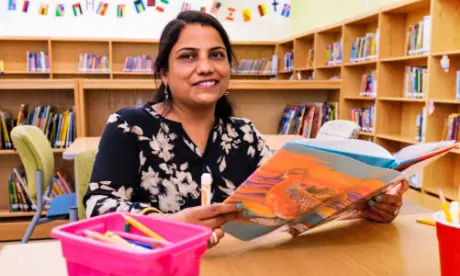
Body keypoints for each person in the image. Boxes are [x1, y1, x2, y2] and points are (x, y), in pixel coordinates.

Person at [83, 10, 409, 247]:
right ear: (164, 73)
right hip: (165, 266)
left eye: (217, 55)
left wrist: (362, 207)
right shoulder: (129, 126)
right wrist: (168, 224)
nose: (206, 66)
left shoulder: (243, 134)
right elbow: (98, 207)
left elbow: (289, 205)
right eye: (187, 57)